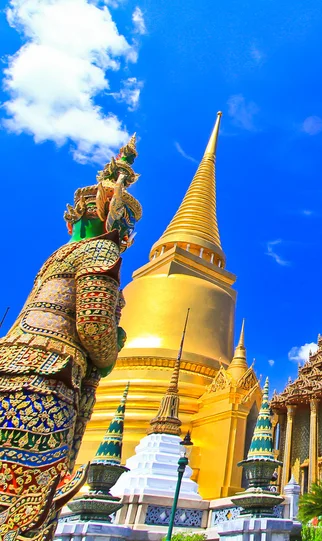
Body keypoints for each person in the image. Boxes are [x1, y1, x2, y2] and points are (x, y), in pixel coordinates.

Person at [0, 136, 142, 541]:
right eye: (126, 227)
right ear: (114, 219)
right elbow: (94, 326)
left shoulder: (56, 258)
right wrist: (112, 350)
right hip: (47, 381)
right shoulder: (99, 255)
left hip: (10, 367)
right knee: (25, 501)